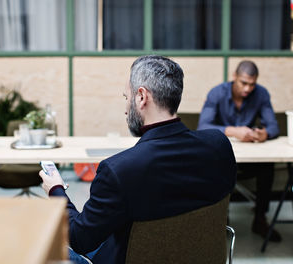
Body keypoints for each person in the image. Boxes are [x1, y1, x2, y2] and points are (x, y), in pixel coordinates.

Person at [39, 55, 237, 264]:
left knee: (41, 244)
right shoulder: (219, 145)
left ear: (141, 97)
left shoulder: (119, 170)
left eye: (127, 97)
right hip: (200, 257)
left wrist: (56, 190)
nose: (126, 109)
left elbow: (80, 239)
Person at [197, 60, 282, 242]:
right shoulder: (217, 93)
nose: (248, 88)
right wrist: (232, 131)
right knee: (212, 166)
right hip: (222, 157)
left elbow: (274, 126)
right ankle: (221, 219)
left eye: (252, 84)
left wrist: (264, 134)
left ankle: (260, 219)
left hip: (251, 157)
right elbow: (203, 127)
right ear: (234, 77)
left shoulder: (261, 94)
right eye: (244, 83)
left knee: (268, 167)